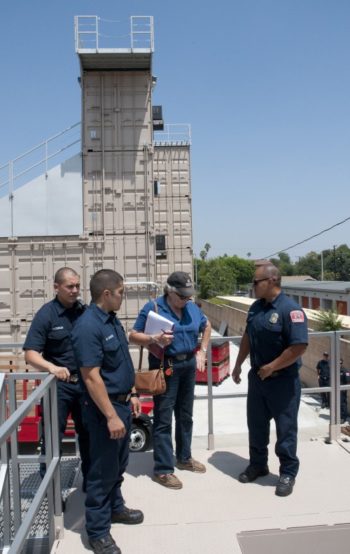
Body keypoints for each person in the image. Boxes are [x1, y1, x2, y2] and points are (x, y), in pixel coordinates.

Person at [71, 269, 143, 554]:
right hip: (105, 410)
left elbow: (122, 363)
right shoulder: (88, 326)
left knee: (118, 464)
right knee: (102, 471)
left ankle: (116, 508)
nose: (123, 297)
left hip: (122, 404)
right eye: (121, 292)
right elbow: (91, 377)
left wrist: (134, 393)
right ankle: (98, 532)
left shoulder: (111, 321)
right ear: (107, 294)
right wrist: (111, 415)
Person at [129, 271, 211, 490]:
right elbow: (133, 335)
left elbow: (207, 326)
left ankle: (184, 457)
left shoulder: (192, 308)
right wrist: (155, 338)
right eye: (182, 296)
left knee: (186, 415)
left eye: (188, 296)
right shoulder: (153, 308)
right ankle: (163, 470)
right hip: (166, 366)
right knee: (164, 418)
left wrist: (202, 350)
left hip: (188, 365)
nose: (186, 300)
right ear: (170, 292)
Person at [232, 263, 308, 497]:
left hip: (282, 382)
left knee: (285, 430)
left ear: (272, 281)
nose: (253, 286)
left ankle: (287, 472)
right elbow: (247, 336)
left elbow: (299, 346)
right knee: (256, 425)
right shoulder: (255, 308)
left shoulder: (291, 310)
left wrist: (272, 367)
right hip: (258, 380)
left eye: (256, 282)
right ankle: (258, 464)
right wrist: (237, 364)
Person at [23, 267, 90, 490]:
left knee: (89, 435)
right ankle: (51, 488)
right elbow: (30, 353)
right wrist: (52, 367)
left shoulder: (84, 311)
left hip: (85, 385)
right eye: (69, 286)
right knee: (53, 439)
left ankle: (91, 483)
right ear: (56, 287)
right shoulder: (46, 314)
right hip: (59, 387)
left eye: (77, 286)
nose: (75, 290)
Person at [340, 358, 350, 423]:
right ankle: (340, 415)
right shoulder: (335, 370)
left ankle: (344, 417)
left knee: (343, 403)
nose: (339, 364)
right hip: (337, 389)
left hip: (342, 390)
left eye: (340, 363)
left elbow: (348, 381)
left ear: (341, 363)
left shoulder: (345, 371)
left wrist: (345, 389)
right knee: (339, 403)